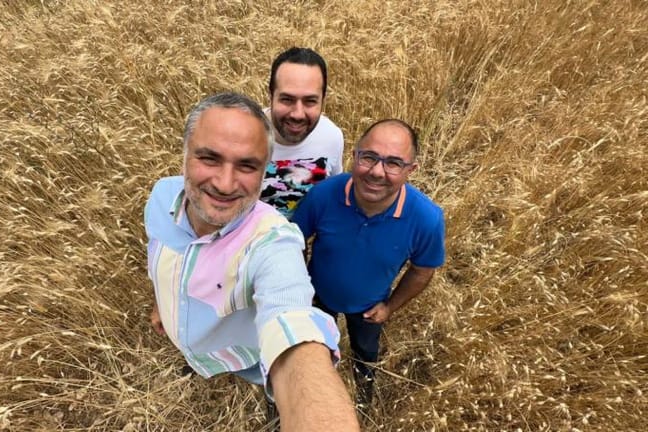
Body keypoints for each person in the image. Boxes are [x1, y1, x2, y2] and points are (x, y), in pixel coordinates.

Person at [145, 92, 360, 431]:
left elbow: (292, 322)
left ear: (265, 172)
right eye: (209, 158)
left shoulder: (273, 241)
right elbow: (162, 252)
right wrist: (161, 300)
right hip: (191, 348)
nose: (224, 184)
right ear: (184, 155)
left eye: (247, 166)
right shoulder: (161, 196)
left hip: (245, 363)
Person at [292, 119, 446, 412]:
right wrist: (302, 287)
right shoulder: (323, 195)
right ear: (354, 155)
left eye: (393, 163)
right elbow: (295, 240)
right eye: (369, 157)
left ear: (411, 170)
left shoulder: (427, 219)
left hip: (369, 309)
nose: (376, 172)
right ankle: (319, 397)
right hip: (318, 297)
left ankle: (364, 399)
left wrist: (390, 307)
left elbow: (423, 270)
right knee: (316, 351)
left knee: (365, 353)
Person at [260, 47, 345, 219]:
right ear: (271, 95)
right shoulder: (246, 135)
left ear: (323, 100)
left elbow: (333, 195)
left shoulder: (331, 137)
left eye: (310, 101)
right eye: (287, 99)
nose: (297, 114)